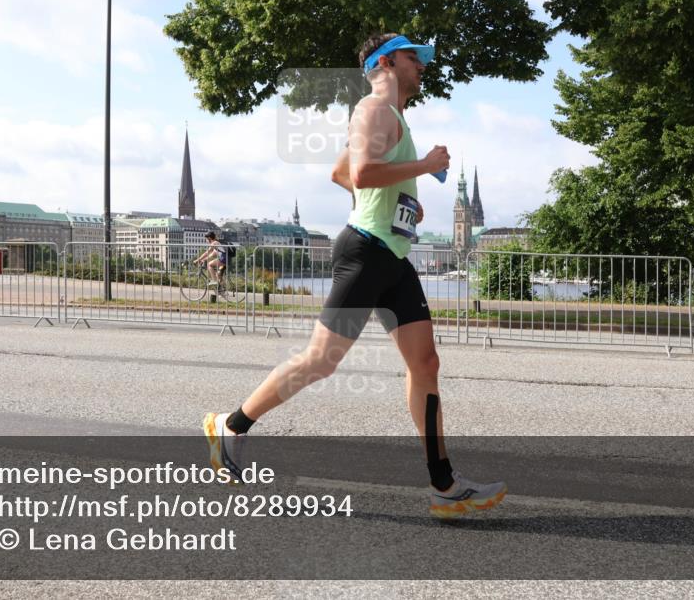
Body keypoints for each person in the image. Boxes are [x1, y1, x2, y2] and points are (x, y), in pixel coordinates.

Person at [204, 33, 506, 518]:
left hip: (393, 256)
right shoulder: (371, 110)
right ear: (386, 62)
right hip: (365, 253)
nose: (422, 66)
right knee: (319, 362)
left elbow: (341, 174)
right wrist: (424, 166)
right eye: (414, 57)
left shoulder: (395, 116)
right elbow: (362, 173)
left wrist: (401, 201)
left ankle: (445, 486)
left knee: (425, 364)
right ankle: (231, 426)